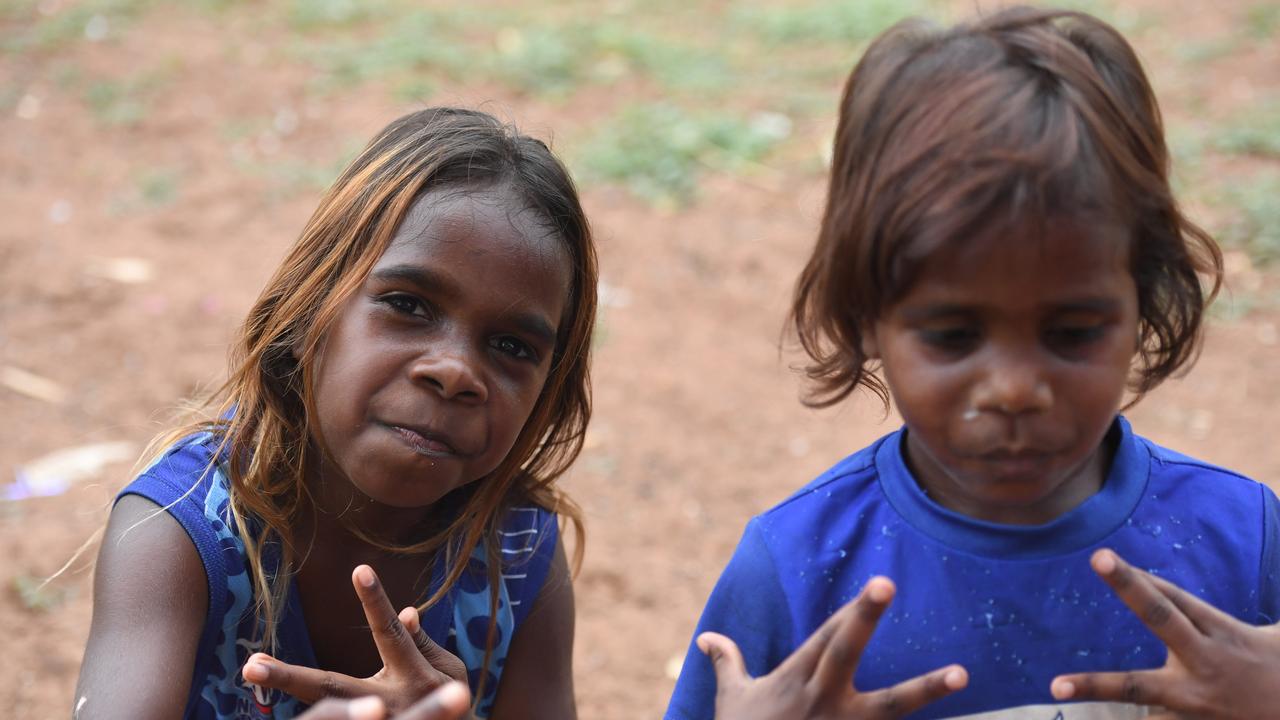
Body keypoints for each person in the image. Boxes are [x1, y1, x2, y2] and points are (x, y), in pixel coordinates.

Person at [666, 7, 1280, 719]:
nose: (1015, 390)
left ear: (1144, 301)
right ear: (865, 316)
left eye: (1073, 332)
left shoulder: (1243, 545)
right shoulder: (797, 574)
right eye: (954, 336)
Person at [74, 107, 596, 720]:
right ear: (307, 313)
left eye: (512, 347)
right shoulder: (180, 535)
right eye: (408, 304)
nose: (455, 372)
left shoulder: (516, 550)